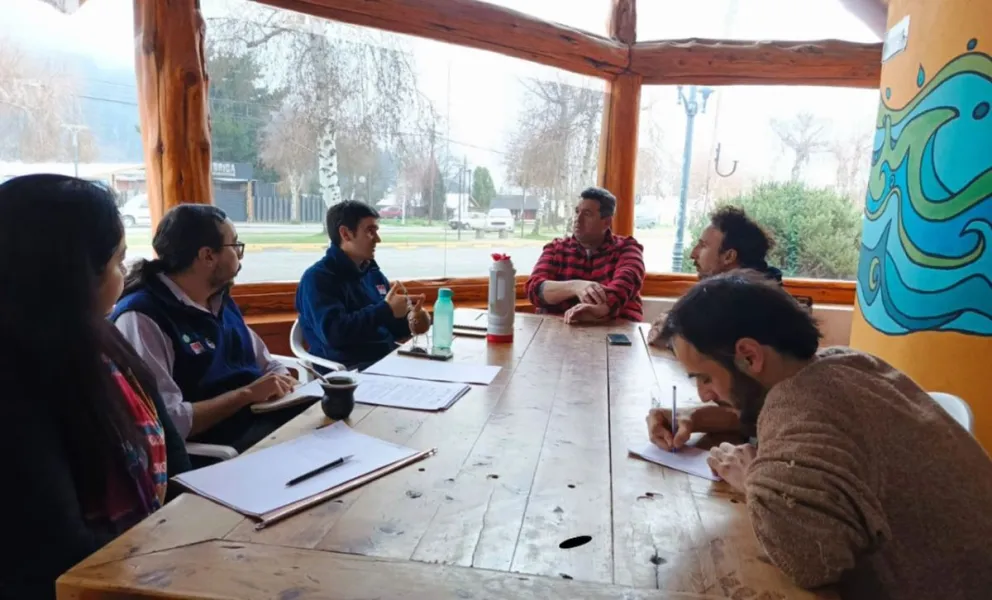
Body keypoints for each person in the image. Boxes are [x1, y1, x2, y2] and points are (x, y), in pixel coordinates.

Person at [649, 270, 992, 599]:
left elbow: (813, 562)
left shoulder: (798, 414)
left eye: (705, 378)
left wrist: (752, 479)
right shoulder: (845, 364)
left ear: (749, 356)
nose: (704, 394)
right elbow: (801, 420)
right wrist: (695, 416)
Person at [0, 175, 190, 600]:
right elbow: (55, 548)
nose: (124, 275)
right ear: (75, 274)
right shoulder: (15, 383)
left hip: (150, 557)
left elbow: (173, 453)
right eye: (119, 262)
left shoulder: (102, 340)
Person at [113, 205, 302, 454]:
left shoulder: (218, 297)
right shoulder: (142, 318)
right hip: (220, 448)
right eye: (235, 245)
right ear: (207, 256)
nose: (240, 255)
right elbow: (170, 421)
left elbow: (267, 364)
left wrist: (280, 382)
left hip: (262, 421)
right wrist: (246, 395)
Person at [296, 201, 429, 369]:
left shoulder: (373, 274)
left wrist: (412, 319)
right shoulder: (317, 279)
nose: (378, 239)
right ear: (345, 234)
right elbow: (335, 335)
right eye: (370, 231)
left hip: (385, 361)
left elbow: (391, 327)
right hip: (347, 371)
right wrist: (386, 310)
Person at [647, 206, 783, 347]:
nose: (693, 254)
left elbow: (708, 347)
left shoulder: (748, 303)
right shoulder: (743, 293)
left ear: (728, 256)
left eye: (703, 246)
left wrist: (670, 330)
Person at [525, 186, 645, 324]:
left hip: (615, 329)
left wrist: (601, 310)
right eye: (577, 212)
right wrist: (576, 287)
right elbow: (534, 289)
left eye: (587, 214)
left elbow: (626, 282)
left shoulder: (627, 248)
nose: (578, 219)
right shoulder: (556, 248)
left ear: (606, 222)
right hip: (558, 328)